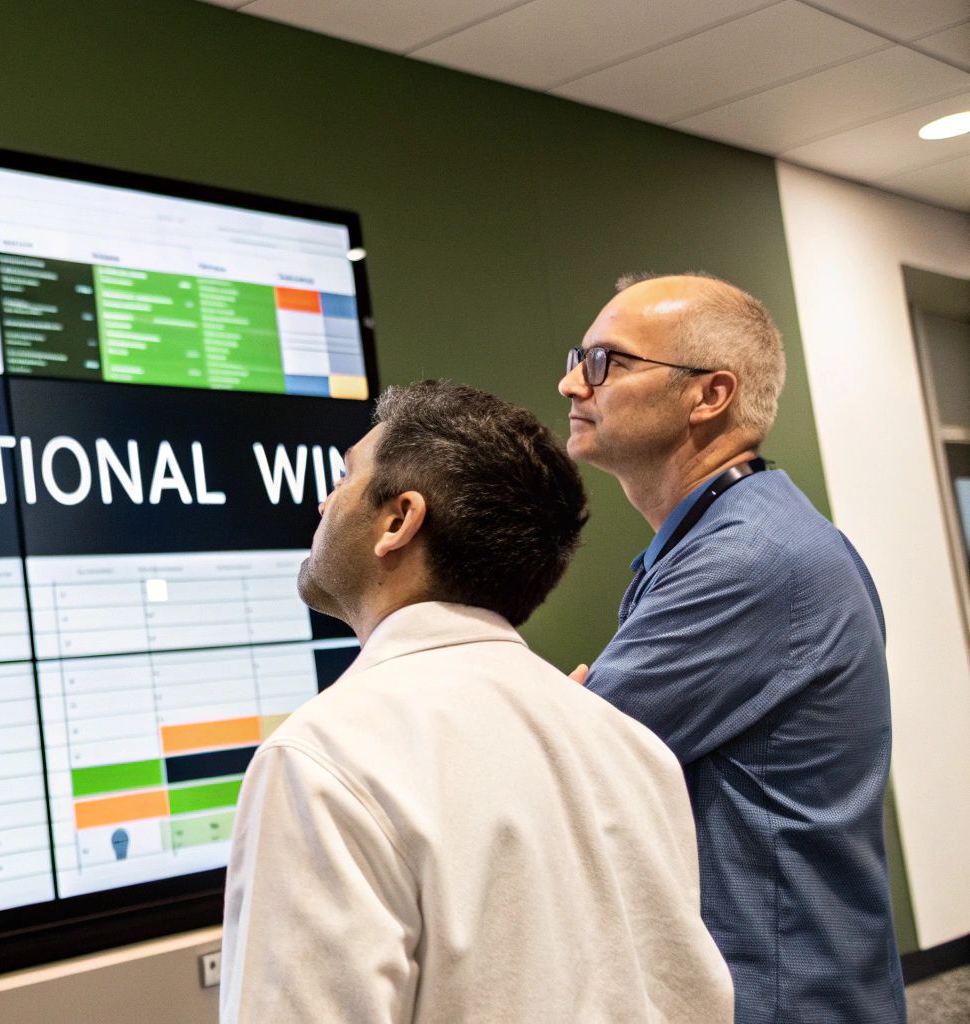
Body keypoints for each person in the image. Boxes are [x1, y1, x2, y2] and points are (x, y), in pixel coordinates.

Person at [220, 380, 732, 1023]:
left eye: (345, 477)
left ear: (399, 520)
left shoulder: (324, 760)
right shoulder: (634, 748)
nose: (325, 503)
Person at [560, 273, 904, 1023]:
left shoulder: (747, 559)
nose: (570, 384)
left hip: (777, 996)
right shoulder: (734, 537)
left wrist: (562, 716)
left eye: (604, 362)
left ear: (710, 395)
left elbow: (562, 769)